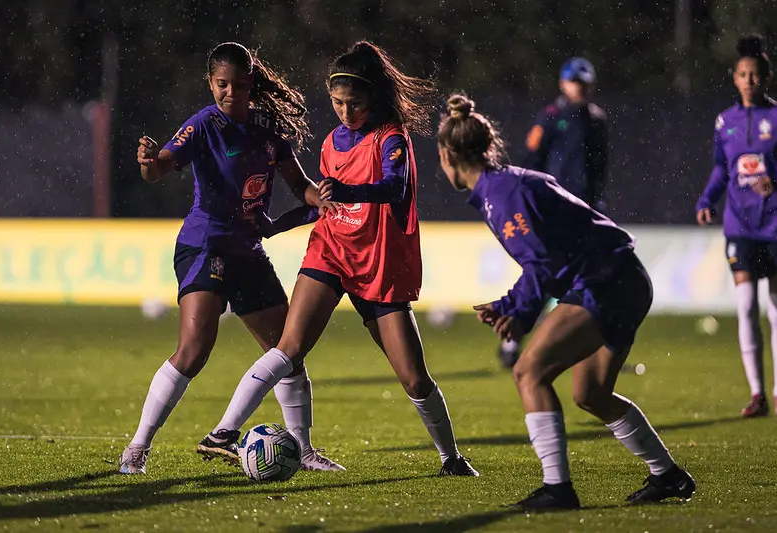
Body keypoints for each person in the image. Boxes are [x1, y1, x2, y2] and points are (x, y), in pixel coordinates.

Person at [198, 41, 479, 477]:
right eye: (337, 102)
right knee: (289, 347)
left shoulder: (390, 138)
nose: (345, 112)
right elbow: (325, 205)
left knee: (413, 377)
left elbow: (395, 189)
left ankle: (451, 459)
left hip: (378, 263)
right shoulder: (332, 142)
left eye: (355, 103)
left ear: (373, 97)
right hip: (331, 250)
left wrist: (349, 191)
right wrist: (280, 224)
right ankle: (223, 433)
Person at [437, 94, 694, 509]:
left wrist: (520, 315)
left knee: (529, 372)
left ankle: (557, 489)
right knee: (591, 393)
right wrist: (509, 304)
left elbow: (542, 264)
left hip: (604, 282)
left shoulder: (502, 195)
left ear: (447, 155)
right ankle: (668, 476)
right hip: (621, 277)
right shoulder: (504, 186)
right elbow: (546, 258)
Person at [119, 42, 343, 474]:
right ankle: (138, 446)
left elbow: (300, 185)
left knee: (288, 352)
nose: (230, 92)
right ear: (210, 83)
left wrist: (322, 197)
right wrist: (146, 161)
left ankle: (304, 451)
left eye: (239, 85)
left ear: (251, 84)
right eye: (222, 84)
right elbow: (158, 168)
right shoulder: (204, 124)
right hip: (206, 245)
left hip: (247, 251)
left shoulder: (267, 128)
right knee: (194, 350)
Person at [497, 58, 609, 368]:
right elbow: (532, 161)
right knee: (545, 278)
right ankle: (513, 338)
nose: (579, 88)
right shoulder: (550, 117)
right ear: (563, 83)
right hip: (554, 211)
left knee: (585, 280)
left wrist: (598, 205)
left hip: (585, 213)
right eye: (575, 82)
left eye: (584, 83)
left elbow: (599, 169)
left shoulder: (597, 120)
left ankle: (596, 351)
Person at [696, 35, 777, 418]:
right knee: (745, 306)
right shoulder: (724, 121)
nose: (749, 81)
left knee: (775, 310)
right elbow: (721, 168)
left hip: (774, 225)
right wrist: (706, 200)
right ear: (735, 77)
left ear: (767, 77)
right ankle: (757, 394)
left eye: (755, 75)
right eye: (743, 74)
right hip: (740, 226)